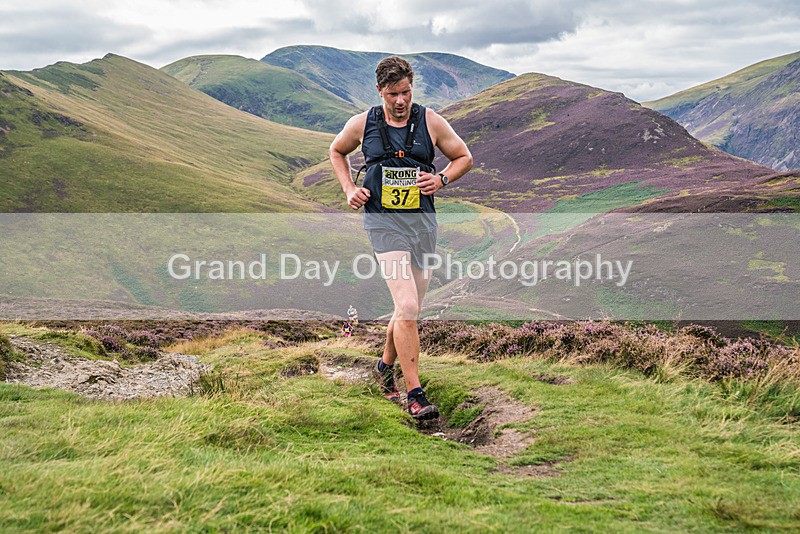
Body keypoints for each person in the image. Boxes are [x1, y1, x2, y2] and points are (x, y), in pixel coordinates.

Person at [329, 56, 473, 419]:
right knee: (407, 307)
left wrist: (441, 179)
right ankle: (415, 393)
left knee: (408, 310)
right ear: (380, 90)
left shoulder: (431, 121)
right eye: (393, 93)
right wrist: (350, 189)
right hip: (383, 224)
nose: (400, 100)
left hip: (423, 226)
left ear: (412, 87)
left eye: (406, 92)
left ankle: (382, 369)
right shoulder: (363, 123)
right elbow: (336, 150)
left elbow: (464, 157)